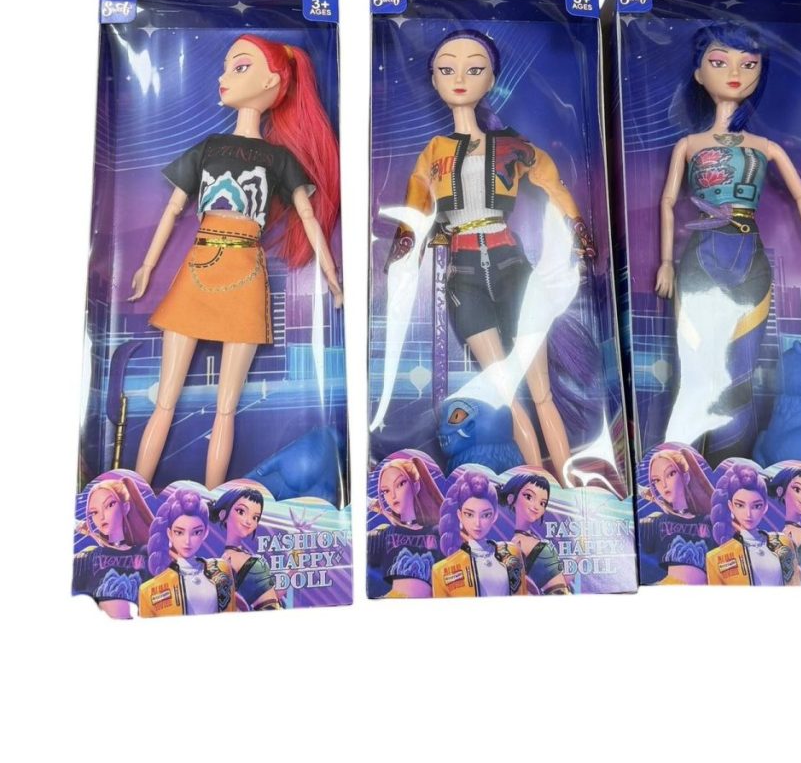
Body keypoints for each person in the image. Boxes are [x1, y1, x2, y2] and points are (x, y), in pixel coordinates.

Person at [129, 36, 342, 489]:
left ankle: (212, 502)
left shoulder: (279, 159)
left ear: (271, 81)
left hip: (245, 272)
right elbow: (172, 209)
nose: (223, 77)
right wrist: (147, 266)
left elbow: (308, 216)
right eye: (226, 67)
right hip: (200, 265)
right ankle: (136, 492)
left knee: (226, 408)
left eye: (239, 67)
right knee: (165, 399)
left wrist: (331, 274)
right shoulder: (209, 147)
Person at [386, 30, 595, 481]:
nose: (460, 78)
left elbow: (554, 186)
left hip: (512, 268)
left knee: (541, 392)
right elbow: (416, 209)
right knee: (507, 392)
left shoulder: (514, 146)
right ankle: (537, 485)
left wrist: (578, 230)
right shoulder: (434, 152)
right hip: (463, 275)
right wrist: (403, 253)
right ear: (434, 80)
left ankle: (569, 486)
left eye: (474, 69)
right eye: (447, 70)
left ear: (492, 78)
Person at [655, 23, 801, 465]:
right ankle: (681, 472)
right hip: (700, 257)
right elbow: (667, 203)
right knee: (695, 369)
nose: (735, 73)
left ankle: (733, 472)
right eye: (720, 62)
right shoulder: (688, 144)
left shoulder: (766, 146)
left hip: (750, 258)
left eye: (749, 64)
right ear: (699, 73)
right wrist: (665, 262)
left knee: (741, 373)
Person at [139, 487, 236, 616]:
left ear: (205, 532)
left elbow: (231, 616)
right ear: (170, 534)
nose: (187, 541)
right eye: (179, 532)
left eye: (196, 532)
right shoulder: (149, 590)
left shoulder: (222, 568)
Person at [432, 468, 526, 597]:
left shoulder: (512, 552)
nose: (477, 523)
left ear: (495, 515)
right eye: (469, 514)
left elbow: (522, 599)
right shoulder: (442, 570)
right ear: (460, 515)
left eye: (485, 515)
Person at [705, 460, 798, 586]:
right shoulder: (716, 558)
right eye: (740, 505)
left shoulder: (784, 542)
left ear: (765, 507)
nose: (748, 514)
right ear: (731, 506)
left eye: (756, 506)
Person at [73, 477, 154, 619]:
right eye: (94, 512)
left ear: (126, 507)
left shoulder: (146, 554)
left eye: (109, 505)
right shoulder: (88, 558)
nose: (102, 516)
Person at [367, 456, 445, 598]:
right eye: (386, 491)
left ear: (416, 485)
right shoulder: (385, 533)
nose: (393, 495)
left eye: (400, 484)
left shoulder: (438, 532)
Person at [637, 446, 715, 585]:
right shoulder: (657, 521)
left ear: (686, 476)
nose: (664, 485)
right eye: (657, 480)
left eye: (671, 474)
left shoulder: (709, 521)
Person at [209, 485, 281, 610]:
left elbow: (273, 597)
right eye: (241, 512)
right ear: (223, 515)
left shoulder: (241, 555)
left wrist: (297, 557)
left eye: (255, 517)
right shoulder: (227, 559)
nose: (249, 521)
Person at [499, 472, 569, 594]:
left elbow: (560, 581)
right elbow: (517, 587)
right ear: (511, 499)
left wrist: (580, 557)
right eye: (529, 497)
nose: (536, 507)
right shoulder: (516, 543)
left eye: (542, 503)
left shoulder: (531, 537)